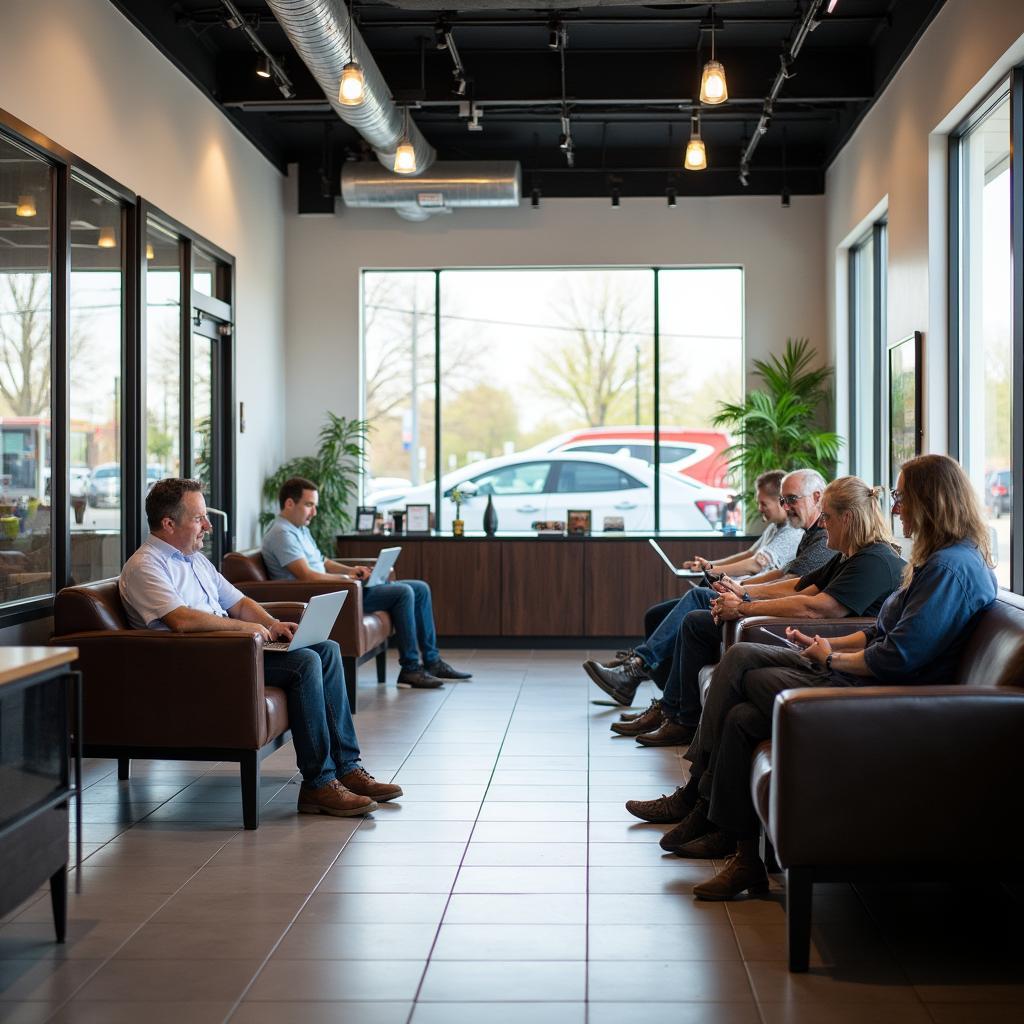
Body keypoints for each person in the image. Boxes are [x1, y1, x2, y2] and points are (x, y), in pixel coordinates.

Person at [648, 456, 998, 899]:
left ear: (931, 501)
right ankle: (742, 855)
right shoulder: (939, 562)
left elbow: (896, 656)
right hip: (872, 681)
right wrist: (830, 646)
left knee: (742, 667)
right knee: (739, 716)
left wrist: (831, 658)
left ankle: (698, 796)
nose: (896, 509)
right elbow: (875, 628)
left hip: (883, 698)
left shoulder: (947, 569)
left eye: (902, 498)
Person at [120, 478, 402, 818]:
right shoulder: (145, 566)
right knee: (305, 664)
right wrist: (248, 630)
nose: (207, 526)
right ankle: (319, 784)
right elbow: (182, 620)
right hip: (198, 662)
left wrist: (271, 625)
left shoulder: (195, 560)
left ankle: (347, 768)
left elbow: (239, 602)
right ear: (168, 523)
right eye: (198, 518)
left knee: (325, 649)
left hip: (234, 652)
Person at [583, 470, 806, 712]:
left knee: (696, 597)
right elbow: (749, 554)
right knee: (655, 615)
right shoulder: (776, 528)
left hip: (742, 596)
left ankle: (637, 669)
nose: (761, 508)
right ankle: (643, 682)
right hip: (736, 589)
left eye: (765, 503)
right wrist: (710, 566)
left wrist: (718, 572)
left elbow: (757, 564)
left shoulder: (793, 533)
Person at [261, 477, 471, 690]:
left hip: (340, 587)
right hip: (325, 594)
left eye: (315, 505)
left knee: (420, 588)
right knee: (403, 592)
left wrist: (350, 571)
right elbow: (307, 576)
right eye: (309, 505)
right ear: (289, 503)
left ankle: (432, 662)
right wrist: (346, 580)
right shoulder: (281, 533)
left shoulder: (300, 529)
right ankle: (410, 669)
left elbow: (323, 562)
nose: (314, 512)